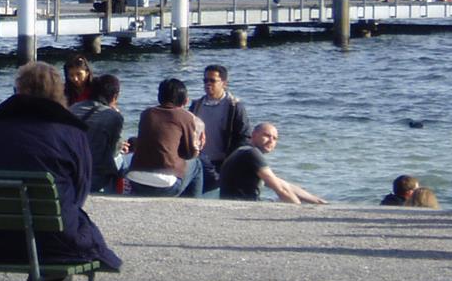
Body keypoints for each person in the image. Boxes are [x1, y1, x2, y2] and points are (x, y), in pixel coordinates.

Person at [0, 62, 121, 281]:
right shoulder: (70, 131)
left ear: (19, 90)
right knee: (56, 228)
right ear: (59, 91)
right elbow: (80, 190)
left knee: (45, 225)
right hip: (48, 236)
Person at [126, 77, 204, 197]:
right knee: (197, 164)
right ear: (185, 100)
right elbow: (189, 154)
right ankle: (193, 205)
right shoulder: (185, 116)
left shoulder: (146, 114)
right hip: (166, 185)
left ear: (160, 96)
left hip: (136, 180)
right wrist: (198, 147)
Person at [217, 123, 326, 204]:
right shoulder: (252, 153)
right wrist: (298, 208)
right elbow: (281, 189)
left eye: (275, 138)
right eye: (267, 135)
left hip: (234, 202)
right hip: (241, 205)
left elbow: (281, 183)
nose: (271, 141)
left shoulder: (243, 151)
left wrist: (315, 200)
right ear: (254, 135)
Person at [188, 63, 251, 196]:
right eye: (205, 80)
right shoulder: (196, 105)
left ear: (224, 83)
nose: (208, 84)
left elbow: (244, 137)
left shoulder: (234, 106)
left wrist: (233, 162)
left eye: (212, 80)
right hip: (199, 161)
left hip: (223, 163)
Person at [70, 73, 126, 194]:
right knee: (123, 159)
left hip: (72, 172)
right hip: (95, 177)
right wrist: (121, 146)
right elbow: (113, 152)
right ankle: (116, 194)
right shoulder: (114, 116)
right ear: (115, 96)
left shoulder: (72, 108)